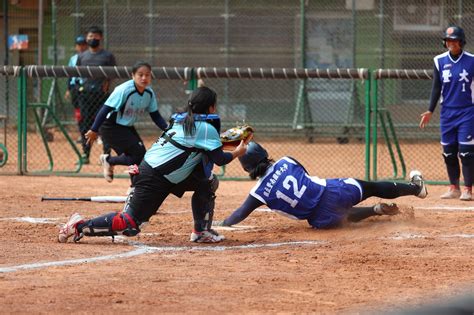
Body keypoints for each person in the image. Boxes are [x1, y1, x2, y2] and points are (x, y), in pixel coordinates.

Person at [58, 87, 250, 244]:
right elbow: (220, 159)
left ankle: (201, 232)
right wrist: (238, 151)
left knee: (207, 181)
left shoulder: (182, 118)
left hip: (166, 173)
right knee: (129, 225)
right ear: (211, 107)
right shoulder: (205, 128)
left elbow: (199, 146)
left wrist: (221, 140)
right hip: (154, 177)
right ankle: (78, 225)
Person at [215, 142, 427, 229]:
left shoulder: (257, 192)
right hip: (334, 190)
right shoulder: (286, 160)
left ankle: (374, 210)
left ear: (247, 168)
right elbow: (304, 177)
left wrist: (222, 224)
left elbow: (240, 214)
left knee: (339, 214)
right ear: (264, 155)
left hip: (320, 220)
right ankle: (416, 188)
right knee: (372, 187)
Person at [85, 61, 168, 186]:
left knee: (136, 156)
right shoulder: (124, 90)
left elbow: (155, 115)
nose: (144, 78)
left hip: (126, 126)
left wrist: (168, 129)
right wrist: (94, 129)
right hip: (110, 126)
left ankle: (132, 185)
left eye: (147, 75)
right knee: (138, 154)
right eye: (140, 75)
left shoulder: (149, 93)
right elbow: (105, 109)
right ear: (132, 75)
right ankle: (110, 161)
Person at [419, 25, 474, 201]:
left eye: (454, 40)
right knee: (449, 152)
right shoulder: (439, 61)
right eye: (448, 40)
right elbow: (436, 88)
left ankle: (467, 189)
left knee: (466, 153)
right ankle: (454, 188)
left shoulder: (472, 60)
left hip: (468, 111)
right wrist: (430, 110)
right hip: (447, 113)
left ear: (461, 42)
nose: (451, 43)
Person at [76, 26, 117, 164]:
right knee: (85, 125)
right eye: (90, 36)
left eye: (95, 36)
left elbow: (112, 73)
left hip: (102, 95)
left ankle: (106, 155)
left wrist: (106, 83)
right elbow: (77, 74)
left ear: (101, 38)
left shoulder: (107, 56)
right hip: (86, 94)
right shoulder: (82, 56)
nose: (92, 39)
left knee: (104, 125)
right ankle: (85, 155)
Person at [64, 35, 88, 143]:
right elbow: (70, 74)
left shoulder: (89, 57)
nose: (81, 47)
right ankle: (82, 134)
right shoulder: (73, 59)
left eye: (83, 45)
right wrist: (68, 89)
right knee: (78, 112)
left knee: (88, 112)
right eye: (79, 45)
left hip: (86, 87)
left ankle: (93, 134)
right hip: (75, 87)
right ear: (76, 47)